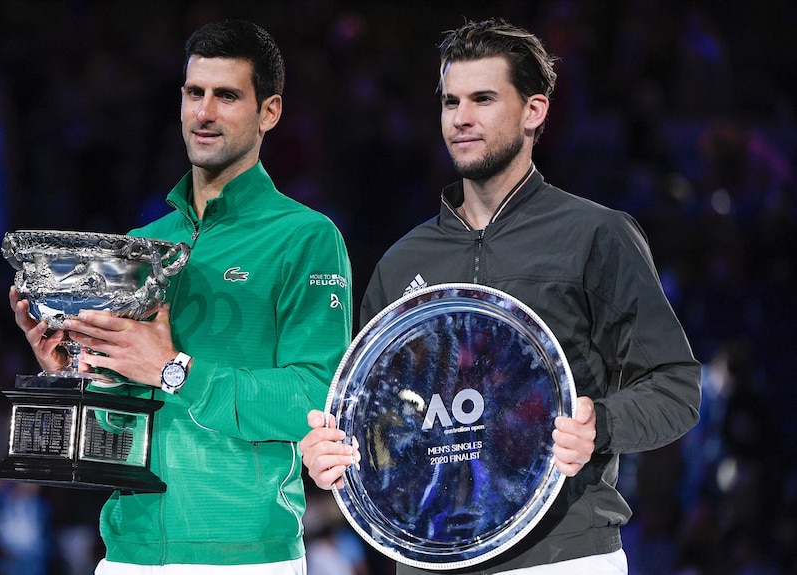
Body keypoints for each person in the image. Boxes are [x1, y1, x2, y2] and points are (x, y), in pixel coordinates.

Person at [299, 17, 701, 574]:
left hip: (563, 555)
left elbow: (676, 386)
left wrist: (600, 425)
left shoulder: (595, 235)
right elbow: (376, 419)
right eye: (450, 102)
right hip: (429, 559)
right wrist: (332, 457)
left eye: (483, 99)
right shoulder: (402, 263)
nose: (461, 118)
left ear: (533, 111)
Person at [9, 20, 353, 574]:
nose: (205, 112)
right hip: (127, 554)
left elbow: (316, 400)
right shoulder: (146, 246)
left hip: (243, 557)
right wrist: (74, 372)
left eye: (227, 96)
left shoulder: (307, 238)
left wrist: (174, 371)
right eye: (195, 93)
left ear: (269, 112)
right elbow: (112, 433)